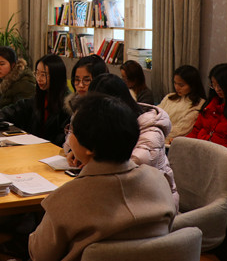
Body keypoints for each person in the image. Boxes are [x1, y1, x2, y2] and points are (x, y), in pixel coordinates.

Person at [29, 94, 176, 261]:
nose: (69, 135)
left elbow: (39, 254)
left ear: (89, 148)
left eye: (72, 130)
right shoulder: (159, 180)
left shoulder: (66, 199)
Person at [85, 73, 178, 210]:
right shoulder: (110, 122)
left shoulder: (150, 130)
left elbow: (132, 166)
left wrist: (89, 158)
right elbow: (75, 138)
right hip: (126, 195)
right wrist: (75, 152)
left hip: (158, 204)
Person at [0, 54, 70, 147]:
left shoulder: (67, 104)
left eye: (43, 75)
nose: (39, 79)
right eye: (37, 73)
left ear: (56, 76)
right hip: (36, 148)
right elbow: (16, 109)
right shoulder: (41, 96)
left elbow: (62, 138)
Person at [187, 63, 227, 147]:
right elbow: (196, 131)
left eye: (220, 85)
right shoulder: (209, 105)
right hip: (199, 148)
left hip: (222, 152)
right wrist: (181, 142)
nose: (216, 89)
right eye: (213, 85)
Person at [158, 65, 206, 141]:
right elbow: (155, 114)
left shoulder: (198, 104)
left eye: (181, 85)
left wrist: (155, 130)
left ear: (192, 85)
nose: (176, 87)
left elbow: (180, 131)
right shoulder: (169, 97)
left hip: (171, 141)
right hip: (156, 134)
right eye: (175, 83)